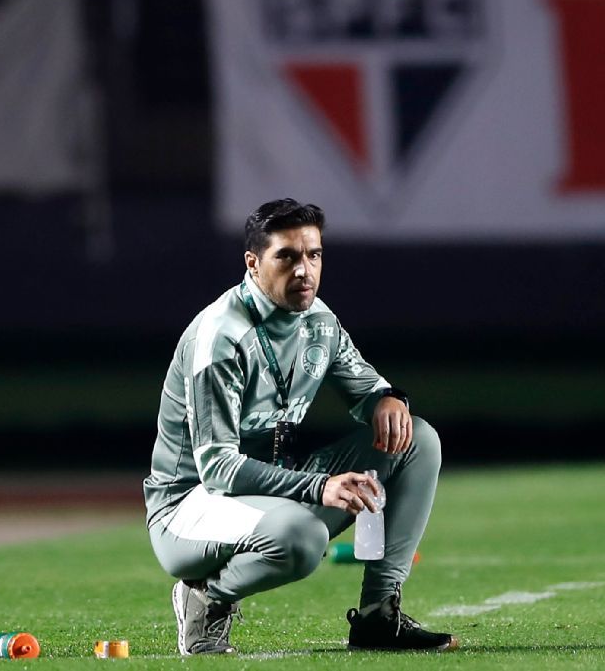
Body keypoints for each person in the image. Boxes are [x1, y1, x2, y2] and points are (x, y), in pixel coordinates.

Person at [142, 198, 456, 654]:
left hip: (273, 492)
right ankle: (206, 597)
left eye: (314, 255)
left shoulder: (317, 320)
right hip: (191, 506)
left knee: (417, 440)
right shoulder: (221, 337)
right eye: (286, 256)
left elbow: (368, 388)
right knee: (303, 539)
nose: (304, 270)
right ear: (253, 263)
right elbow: (217, 468)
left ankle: (377, 617)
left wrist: (390, 399)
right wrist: (318, 487)